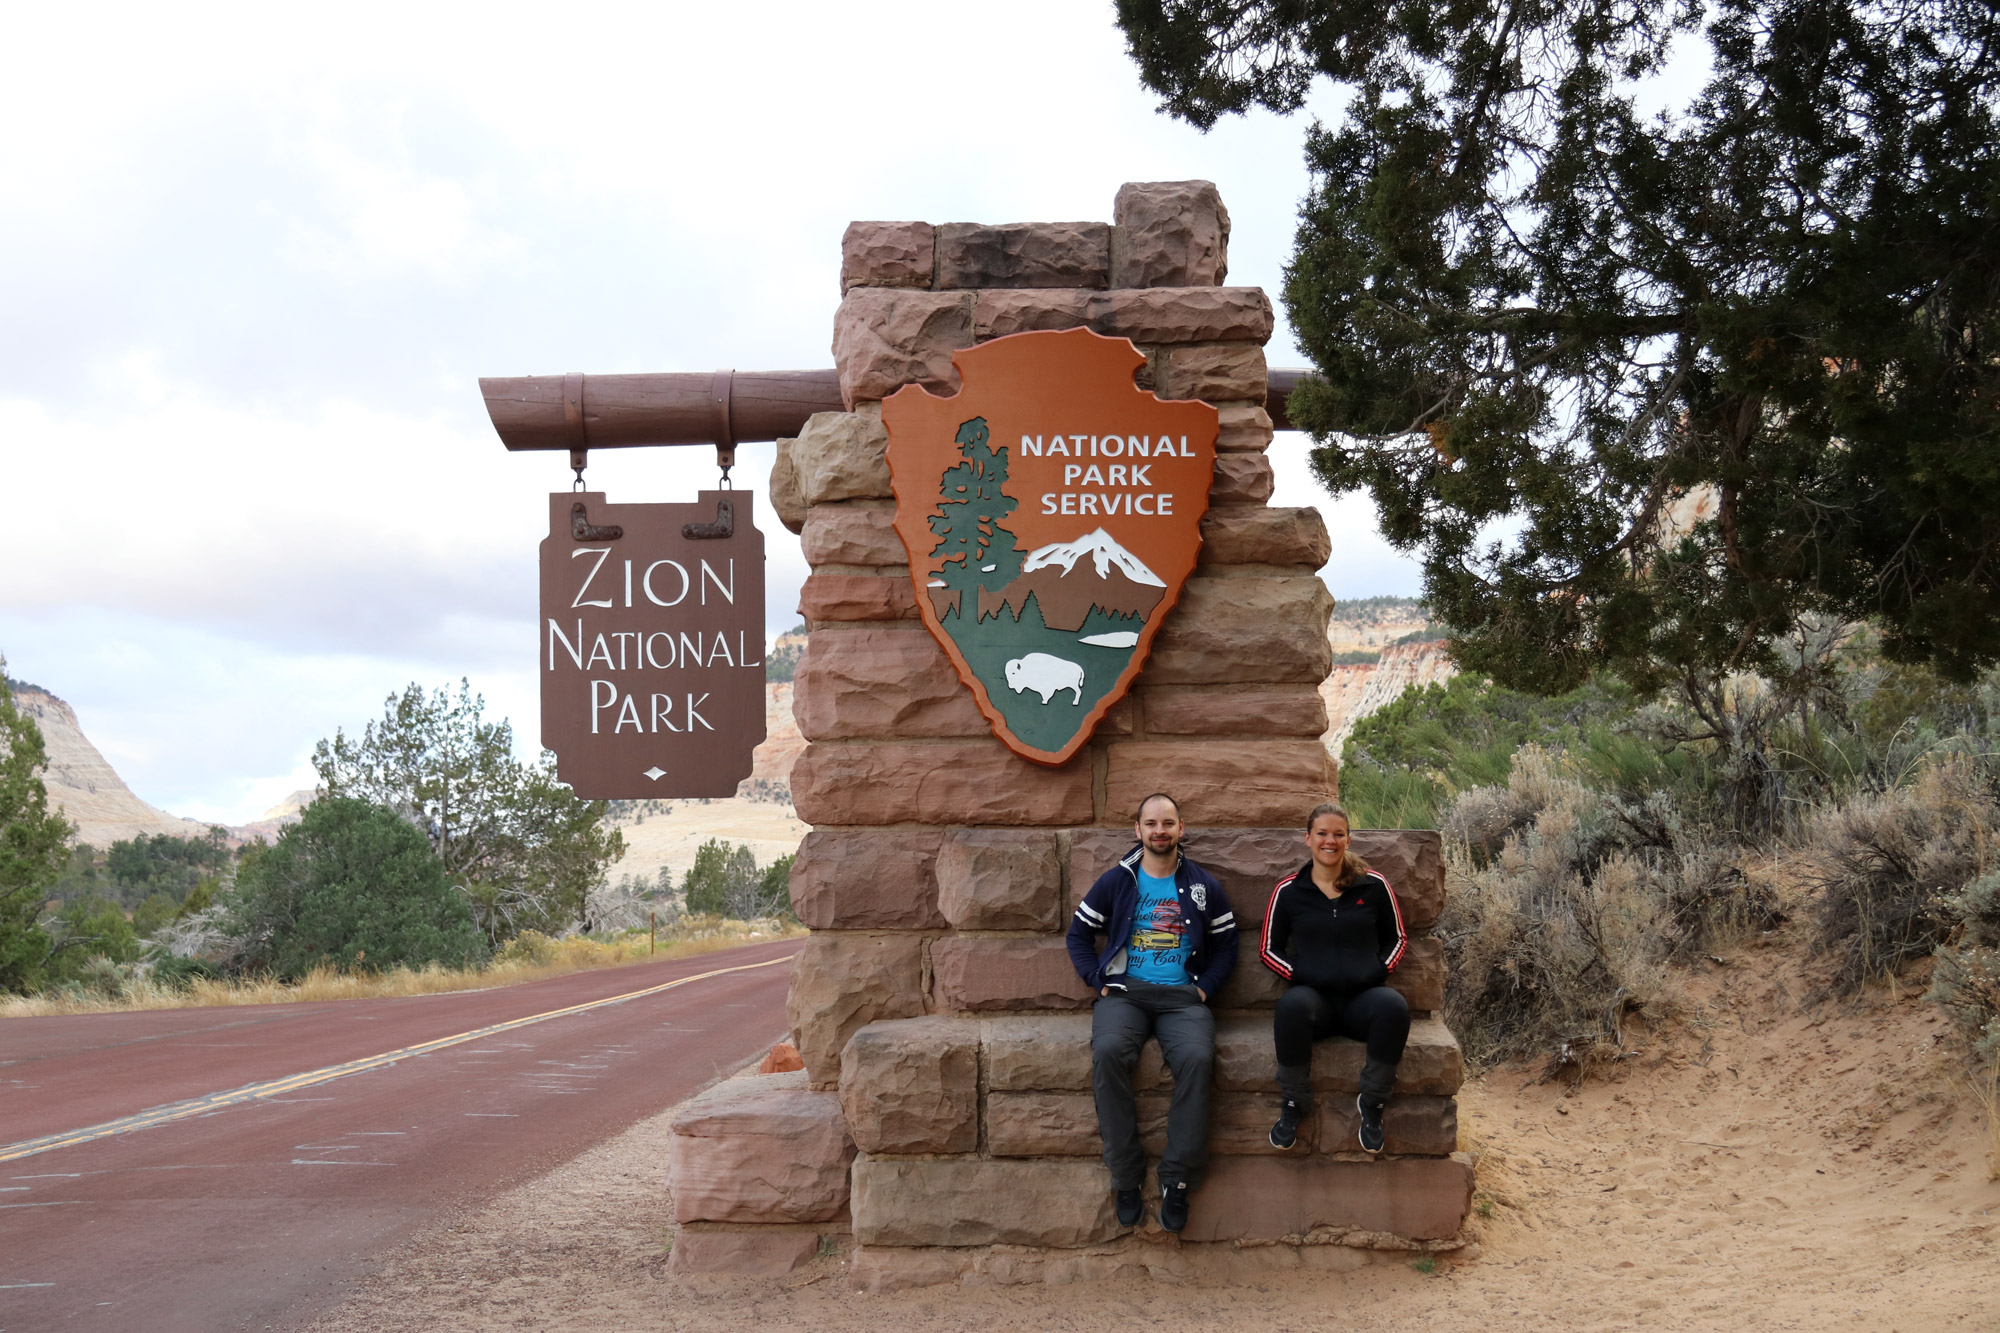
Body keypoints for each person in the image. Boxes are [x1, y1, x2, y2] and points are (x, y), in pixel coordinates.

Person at [1066, 792, 1238, 1233]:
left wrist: (1205, 989)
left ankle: (1176, 1179)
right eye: (1151, 823)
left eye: (1168, 823)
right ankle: (1126, 1175)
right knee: (1108, 1053)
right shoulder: (1117, 882)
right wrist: (1096, 979)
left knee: (1198, 1060)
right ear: (1137, 830)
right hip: (1125, 995)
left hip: (1183, 997)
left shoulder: (1202, 885)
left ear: (1182, 829)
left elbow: (1227, 945)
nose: (1160, 830)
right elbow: (1078, 936)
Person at [1257, 800, 1410, 1154]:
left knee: (1394, 1007)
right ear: (1307, 838)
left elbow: (1397, 938)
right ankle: (1294, 1102)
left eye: (1338, 834)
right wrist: (1303, 973)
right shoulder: (1289, 891)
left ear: (1348, 840)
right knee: (1290, 1007)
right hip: (1315, 1003)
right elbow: (1268, 948)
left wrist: (1378, 969)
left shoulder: (1373, 885)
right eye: (1322, 834)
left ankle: (1372, 1103)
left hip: (1363, 1001)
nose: (1330, 841)